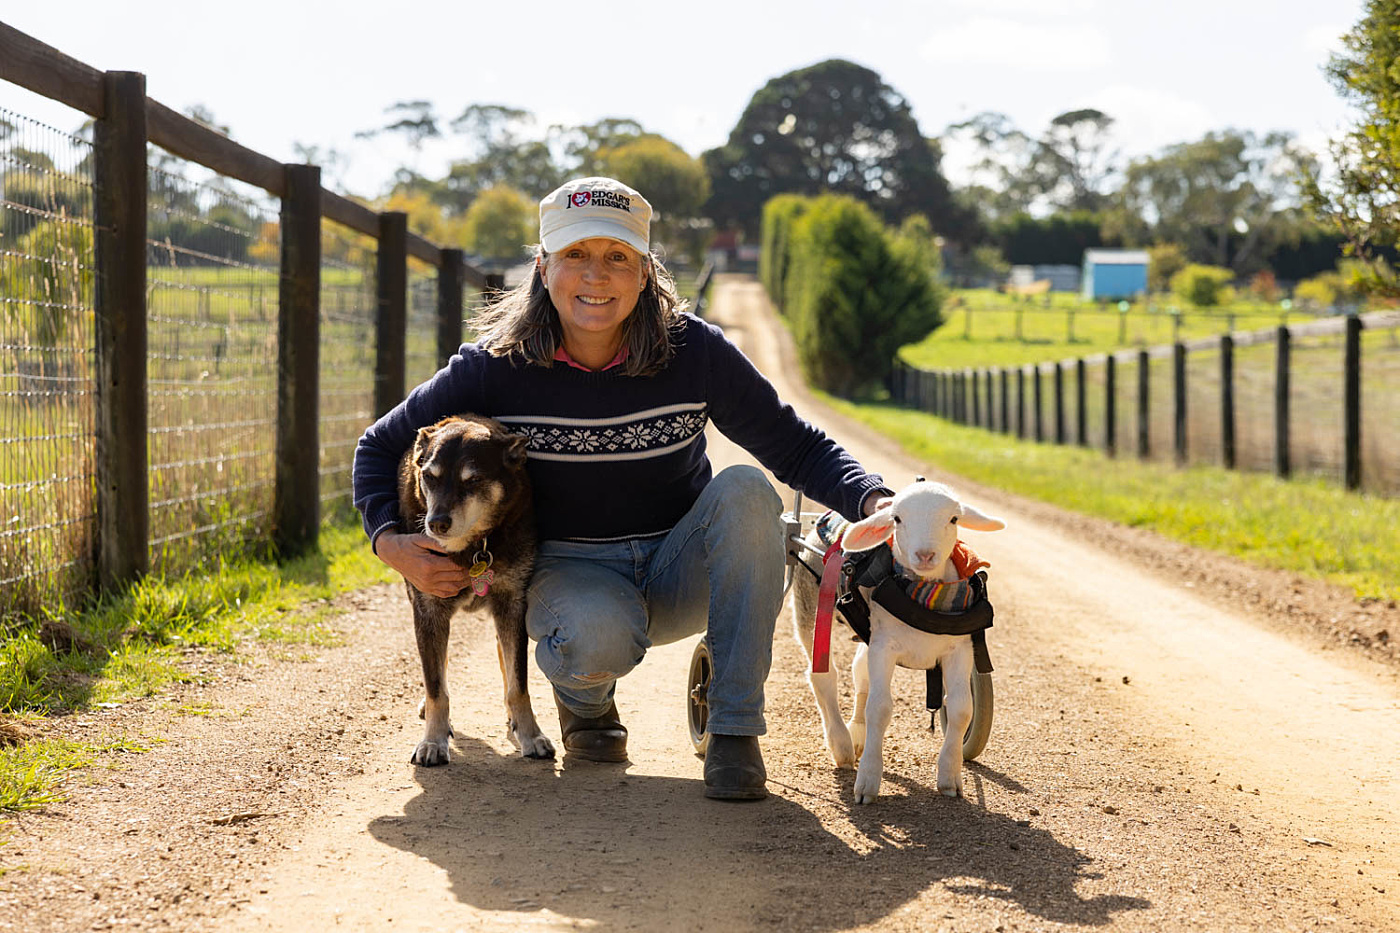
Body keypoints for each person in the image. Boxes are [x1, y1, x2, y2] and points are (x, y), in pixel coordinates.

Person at [353, 176, 892, 801]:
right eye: (576, 255)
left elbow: (794, 444)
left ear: (645, 273)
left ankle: (734, 731)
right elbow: (380, 445)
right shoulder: (494, 365)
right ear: (543, 267)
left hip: (678, 564)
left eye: (618, 258)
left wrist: (875, 500)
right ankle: (587, 704)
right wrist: (390, 542)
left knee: (747, 490)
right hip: (572, 573)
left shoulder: (696, 352)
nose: (596, 276)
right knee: (591, 638)